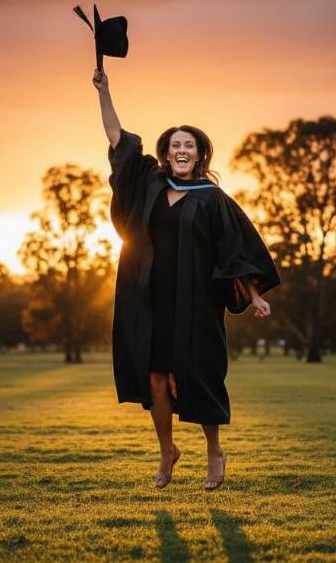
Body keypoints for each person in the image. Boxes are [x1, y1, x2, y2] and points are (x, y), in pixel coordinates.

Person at [93, 68, 280, 490]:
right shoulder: (149, 184)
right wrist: (105, 93)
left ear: (199, 155)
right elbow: (117, 140)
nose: (181, 150)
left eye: (188, 145)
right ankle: (167, 451)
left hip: (196, 302)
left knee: (197, 375)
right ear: (166, 152)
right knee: (155, 377)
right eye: (175, 144)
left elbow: (236, 247)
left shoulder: (213, 199)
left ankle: (214, 450)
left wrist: (254, 295)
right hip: (150, 298)